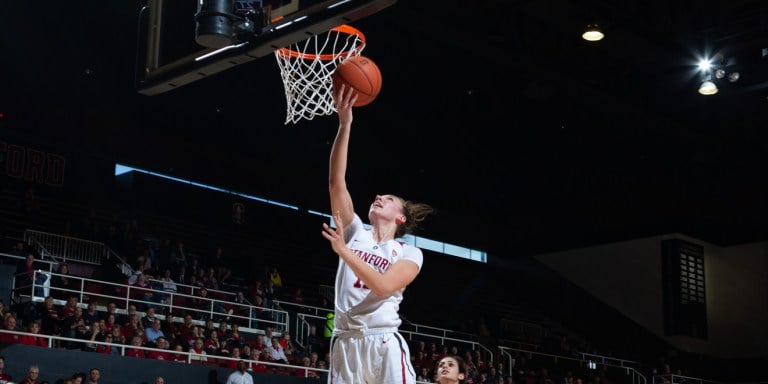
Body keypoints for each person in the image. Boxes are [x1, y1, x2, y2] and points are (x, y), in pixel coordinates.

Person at [320, 83, 435, 384]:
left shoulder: (409, 253)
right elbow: (336, 183)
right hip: (345, 343)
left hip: (383, 341)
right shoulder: (355, 230)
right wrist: (345, 124)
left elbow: (383, 287)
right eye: (378, 196)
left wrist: (345, 252)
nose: (379, 197)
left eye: (389, 198)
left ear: (400, 217)